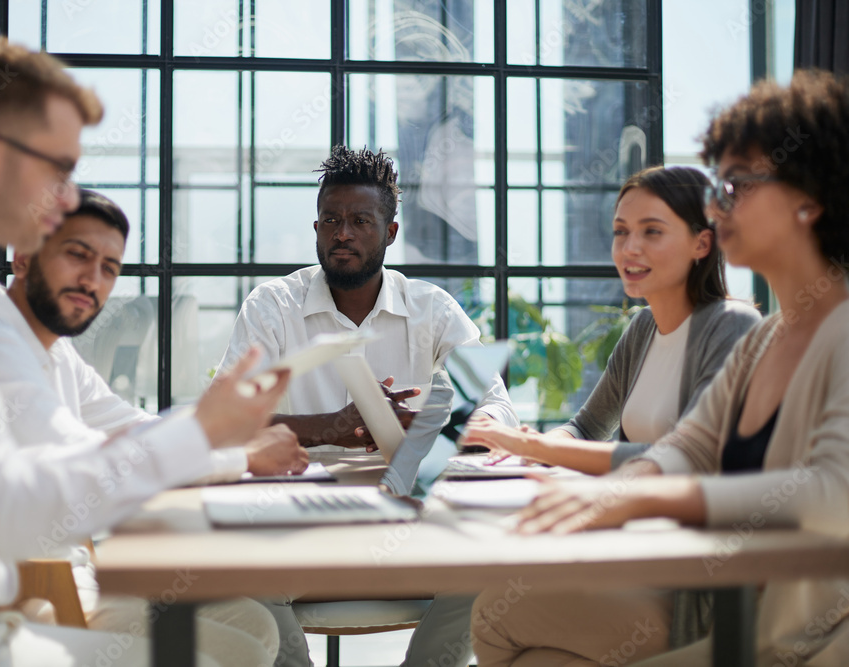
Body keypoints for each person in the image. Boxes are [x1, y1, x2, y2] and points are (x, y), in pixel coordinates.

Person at [0, 38, 288, 667]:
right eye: (58, 170)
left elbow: (39, 465)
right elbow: (0, 509)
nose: (64, 200)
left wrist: (206, 436)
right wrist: (201, 436)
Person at [471, 70, 849, 666]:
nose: (718, 204)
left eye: (738, 185)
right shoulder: (766, 341)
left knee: (499, 617)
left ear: (810, 197)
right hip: (727, 607)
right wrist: (618, 494)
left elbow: (833, 493)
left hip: (801, 640)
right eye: (717, 187)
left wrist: (637, 500)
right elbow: (688, 450)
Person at [218, 145, 519, 667]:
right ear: (316, 229)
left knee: (493, 568)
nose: (343, 234)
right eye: (331, 220)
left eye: (360, 221)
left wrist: (437, 425)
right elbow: (225, 421)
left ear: (391, 233)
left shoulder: (432, 309)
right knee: (238, 578)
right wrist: (329, 427)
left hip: (410, 518)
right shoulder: (273, 307)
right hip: (300, 521)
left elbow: (497, 407)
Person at [0, 189, 310, 658]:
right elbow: (94, 465)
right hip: (20, 598)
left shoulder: (56, 350)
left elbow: (129, 425)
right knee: (240, 651)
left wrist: (231, 429)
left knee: (254, 624)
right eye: (78, 255)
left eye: (110, 268)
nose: (93, 280)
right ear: (24, 257)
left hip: (77, 580)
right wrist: (240, 454)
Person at [462, 166, 760, 478]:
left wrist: (535, 447)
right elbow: (586, 427)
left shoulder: (733, 324)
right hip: (634, 512)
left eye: (652, 231)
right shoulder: (643, 327)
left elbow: (687, 454)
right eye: (621, 232)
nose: (629, 248)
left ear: (701, 244)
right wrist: (531, 447)